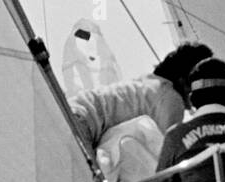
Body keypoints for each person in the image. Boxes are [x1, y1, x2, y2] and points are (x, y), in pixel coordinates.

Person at [68, 41, 214, 149]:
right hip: (85, 124)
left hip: (74, 111)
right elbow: (168, 153)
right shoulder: (171, 99)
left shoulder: (150, 84)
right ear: (185, 81)